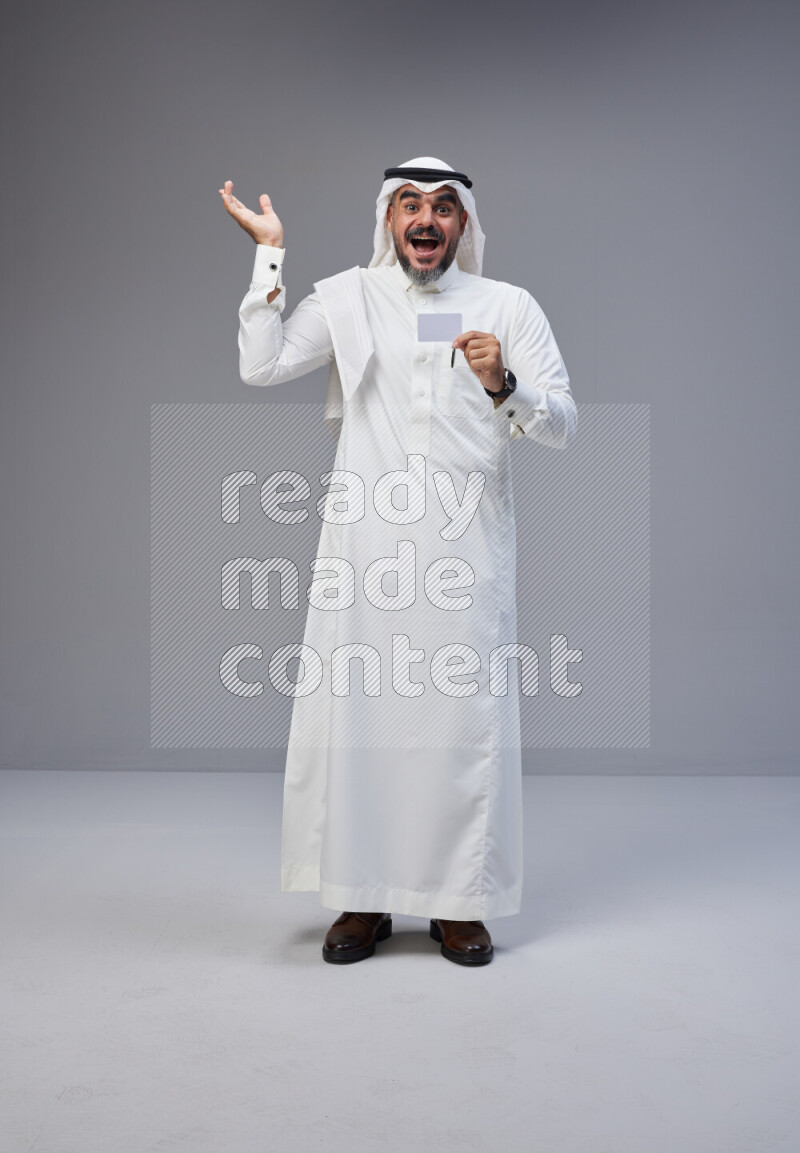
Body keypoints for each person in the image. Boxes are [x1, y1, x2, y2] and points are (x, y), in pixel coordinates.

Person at [220, 156, 576, 966]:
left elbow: (561, 423)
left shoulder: (506, 307)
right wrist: (269, 255)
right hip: (365, 553)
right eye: (409, 204)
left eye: (444, 207)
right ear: (388, 219)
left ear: (463, 225)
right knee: (364, 725)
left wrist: (503, 383)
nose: (426, 219)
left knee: (458, 728)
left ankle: (458, 905)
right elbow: (261, 364)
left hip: (465, 554)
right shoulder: (349, 297)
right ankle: (363, 896)